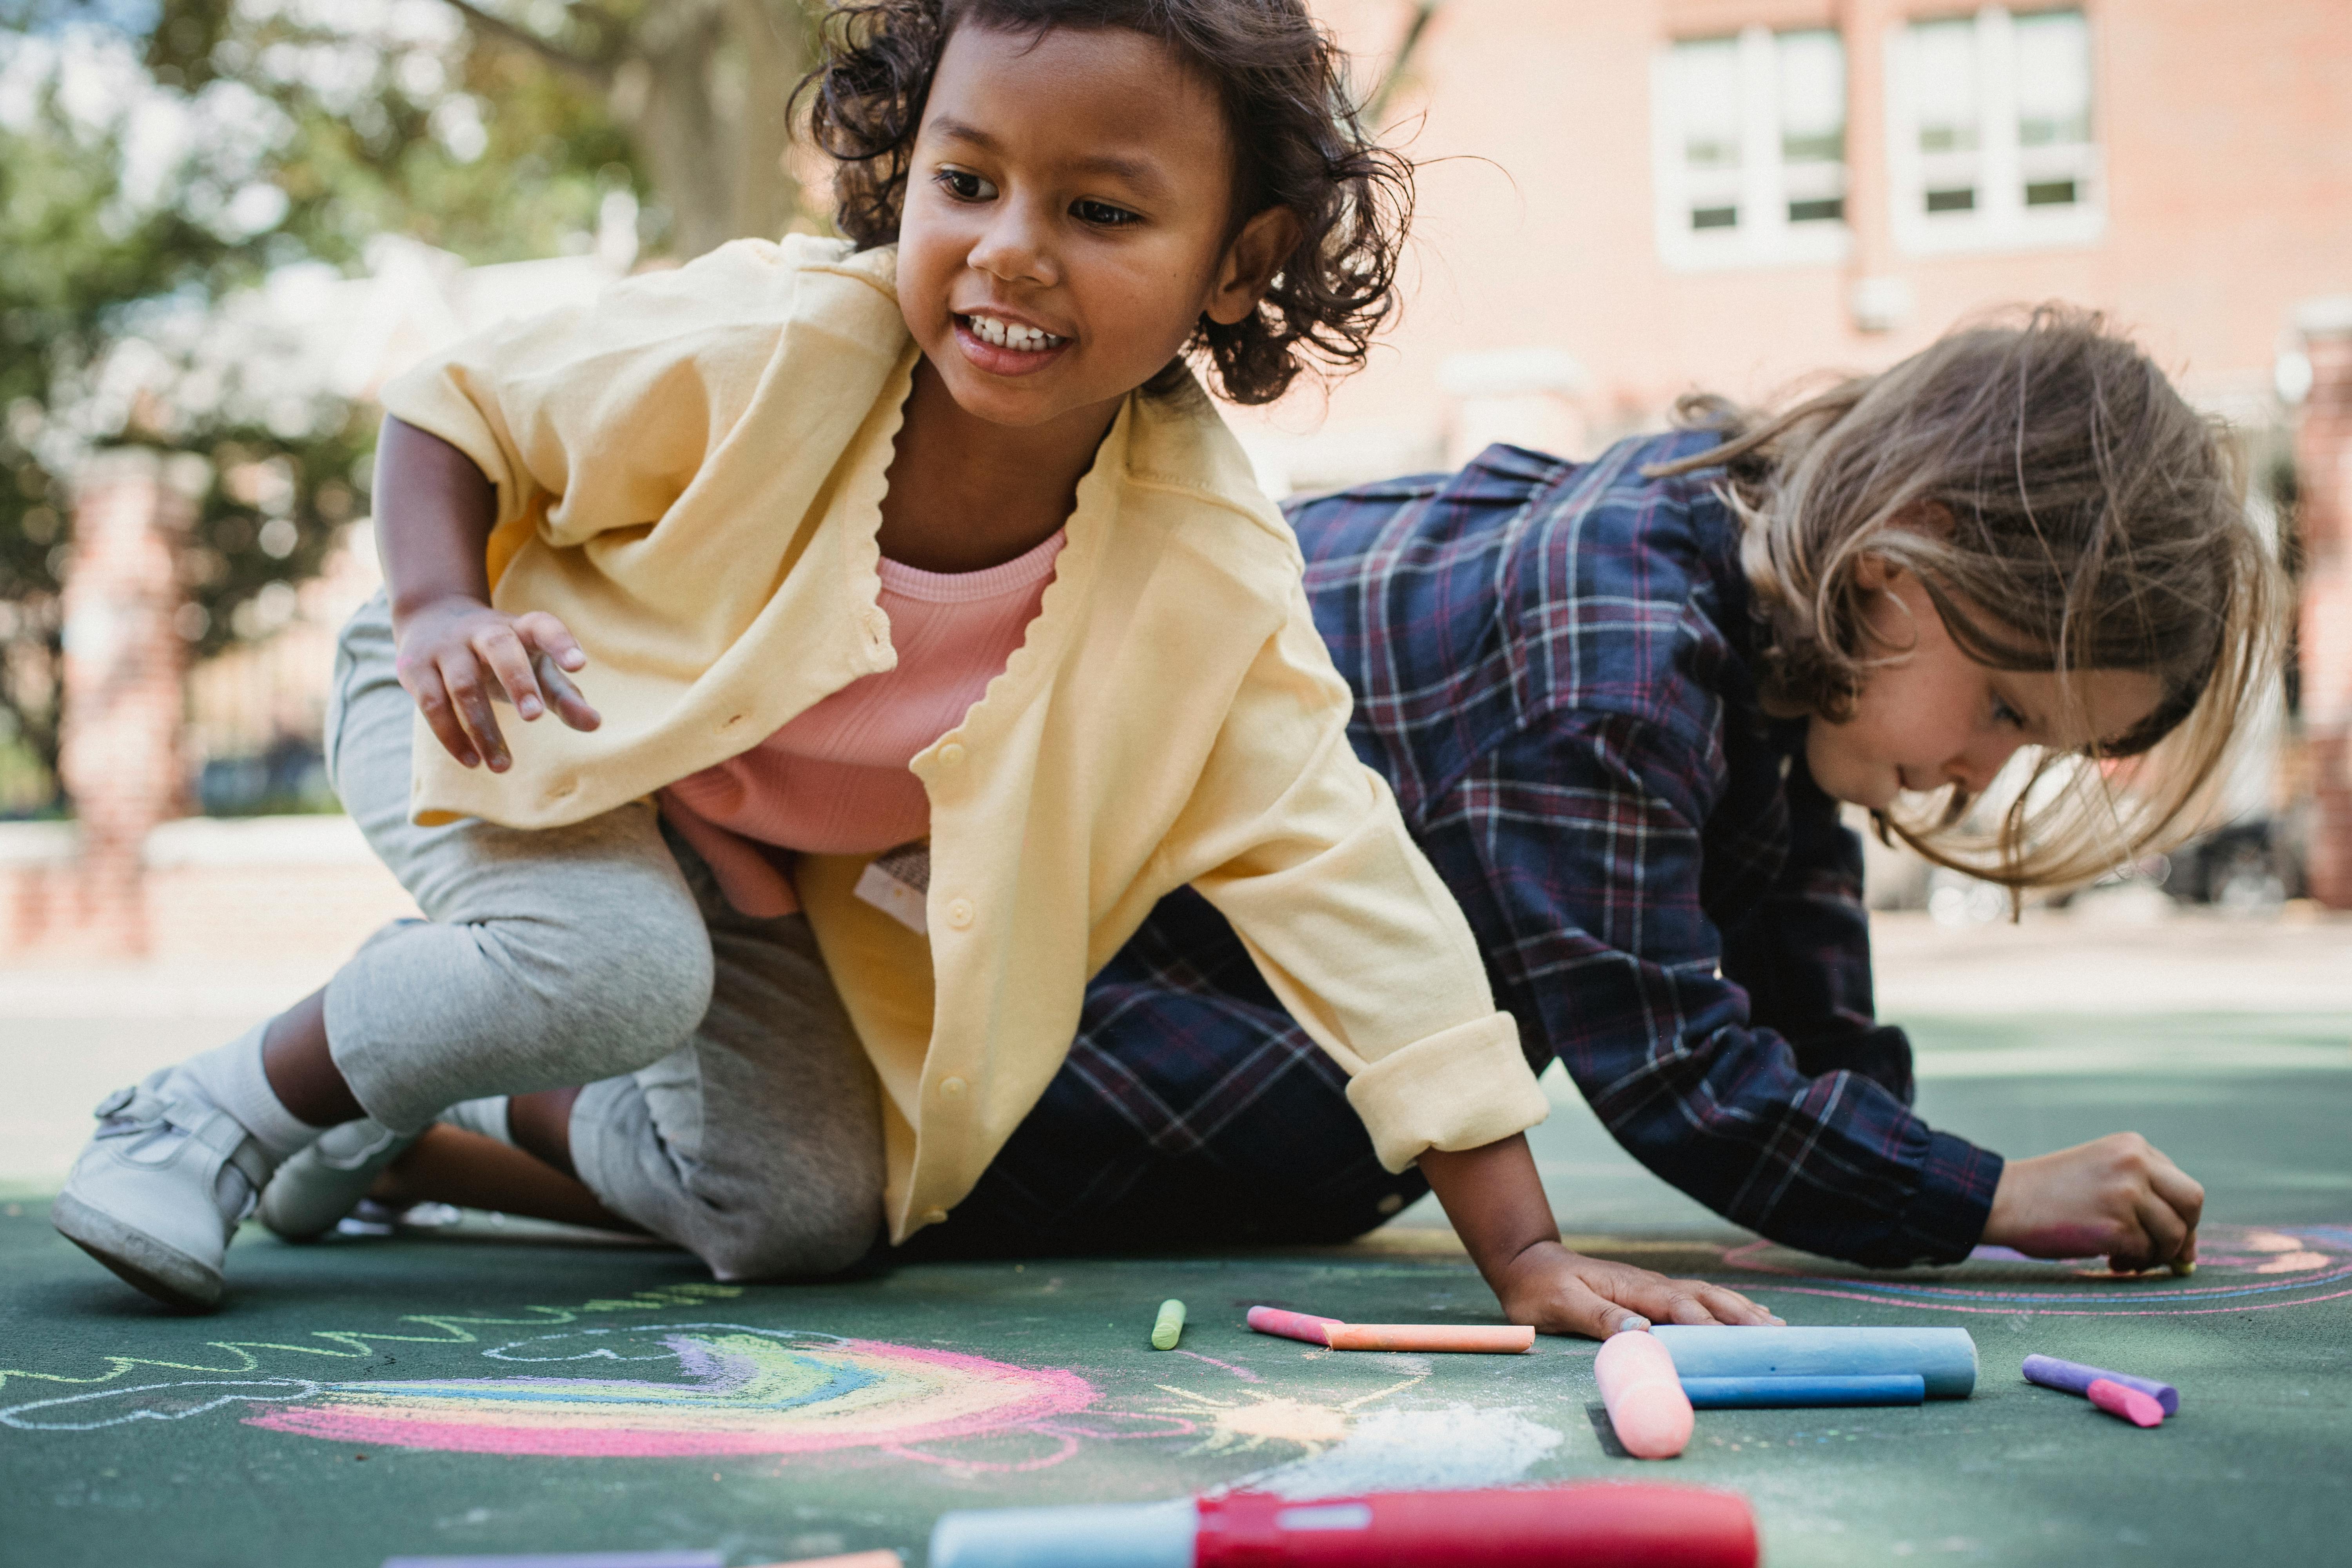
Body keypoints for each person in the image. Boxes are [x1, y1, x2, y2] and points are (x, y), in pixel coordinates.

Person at [54, 0, 1771, 1340]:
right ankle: (199, 1115)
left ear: (1238, 261)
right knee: (615, 963)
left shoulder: (1207, 586)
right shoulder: (782, 342)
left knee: (804, 1217)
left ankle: (410, 1092)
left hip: (720, 826)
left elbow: (1355, 894)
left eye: (1101, 208)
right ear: (911, 166)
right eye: (968, 182)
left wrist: (1523, 1250)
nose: (1009, 246)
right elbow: (458, 410)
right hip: (512, 695)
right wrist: (439, 605)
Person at [880, 309, 2272, 1275]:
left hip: (1159, 1023)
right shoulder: (1623, 653)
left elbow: (1809, 1008)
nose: (1983, 774)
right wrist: (1993, 1198)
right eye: (2006, 712)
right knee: (1312, 1123)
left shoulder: (1767, 640)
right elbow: (1673, 1066)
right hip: (1014, 1024)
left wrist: (1926, 1179)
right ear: (1901, 559)